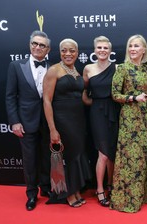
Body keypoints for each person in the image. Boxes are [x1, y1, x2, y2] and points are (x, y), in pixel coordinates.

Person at [6, 30, 52, 211]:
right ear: (30, 45)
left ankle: (46, 188)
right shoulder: (16, 66)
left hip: (48, 121)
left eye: (42, 45)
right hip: (26, 121)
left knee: (47, 157)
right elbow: (10, 97)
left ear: (47, 49)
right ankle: (31, 194)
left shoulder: (53, 67)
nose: (38, 47)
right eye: (35, 43)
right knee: (30, 159)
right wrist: (14, 122)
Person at [110, 34, 147, 213]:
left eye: (137, 46)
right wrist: (133, 97)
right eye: (130, 46)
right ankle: (125, 201)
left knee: (142, 157)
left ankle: (142, 196)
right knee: (128, 159)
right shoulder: (122, 68)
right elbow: (115, 95)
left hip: (146, 118)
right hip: (129, 118)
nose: (133, 49)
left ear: (144, 49)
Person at [43, 38, 91, 207]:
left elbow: (83, 97)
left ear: (77, 53)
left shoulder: (76, 72)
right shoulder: (54, 71)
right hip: (62, 119)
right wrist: (52, 129)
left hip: (78, 119)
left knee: (77, 154)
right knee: (69, 155)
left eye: (72, 50)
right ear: (60, 51)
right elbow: (47, 101)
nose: (68, 54)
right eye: (64, 50)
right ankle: (67, 194)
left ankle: (76, 190)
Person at [82, 36, 120, 207]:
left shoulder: (118, 68)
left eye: (105, 48)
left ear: (110, 50)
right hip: (97, 113)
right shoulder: (88, 69)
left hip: (114, 111)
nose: (102, 50)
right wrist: (93, 103)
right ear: (95, 50)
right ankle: (99, 189)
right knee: (103, 154)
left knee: (112, 152)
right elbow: (83, 92)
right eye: (99, 47)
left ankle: (111, 186)